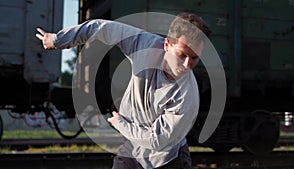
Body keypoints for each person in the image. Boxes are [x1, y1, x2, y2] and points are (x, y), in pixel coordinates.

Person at [36, 12, 211, 169]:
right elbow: (102, 28)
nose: (188, 65)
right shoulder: (144, 45)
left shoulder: (187, 95)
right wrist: (58, 40)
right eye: (182, 55)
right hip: (133, 149)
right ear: (166, 45)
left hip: (167, 160)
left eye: (195, 58)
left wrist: (121, 124)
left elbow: (157, 141)